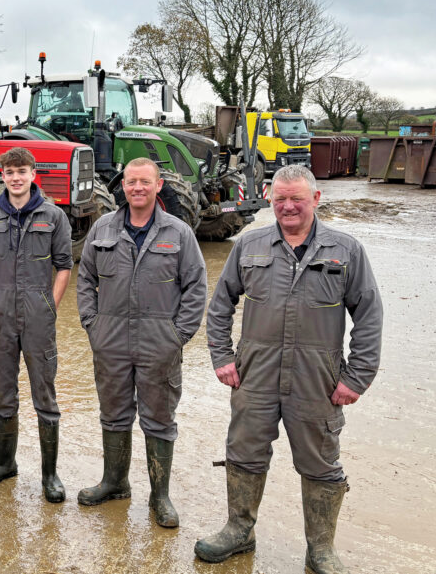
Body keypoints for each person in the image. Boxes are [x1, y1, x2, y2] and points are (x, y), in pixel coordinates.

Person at [195, 164, 383, 574]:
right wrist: (222, 357)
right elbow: (221, 304)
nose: (288, 206)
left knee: (321, 462)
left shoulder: (345, 250)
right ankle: (239, 530)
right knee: (244, 453)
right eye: (280, 198)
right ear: (270, 199)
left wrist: (357, 378)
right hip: (255, 375)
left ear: (316, 198)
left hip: (317, 380)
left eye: (297, 198)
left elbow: (368, 315)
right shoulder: (250, 245)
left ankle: (321, 549)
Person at [76, 157, 206, 527]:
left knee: (159, 419)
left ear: (158, 185)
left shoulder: (178, 232)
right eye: (131, 181)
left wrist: (177, 335)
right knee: (113, 412)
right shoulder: (103, 228)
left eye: (144, 182)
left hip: (158, 342)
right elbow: (85, 280)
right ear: (123, 186)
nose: (137, 188)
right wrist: (93, 324)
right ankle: (114, 482)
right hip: (111, 341)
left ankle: (159, 496)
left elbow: (196, 287)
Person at [0, 147, 73, 503]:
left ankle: (50, 474)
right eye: (9, 172)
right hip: (0, 314)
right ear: (3, 176)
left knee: (44, 392)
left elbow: (64, 264)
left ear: (33, 174)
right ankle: (4, 464)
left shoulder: (54, 216)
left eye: (22, 171)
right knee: (3, 390)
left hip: (38, 313)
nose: (16, 177)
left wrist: (50, 304)